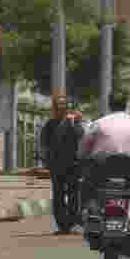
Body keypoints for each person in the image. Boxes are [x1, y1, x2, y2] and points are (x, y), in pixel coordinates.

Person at [77, 93, 130, 212]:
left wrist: (82, 157)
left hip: (101, 172)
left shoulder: (99, 123)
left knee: (87, 188)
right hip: (129, 171)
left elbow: (84, 144)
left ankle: (85, 213)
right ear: (126, 105)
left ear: (109, 105)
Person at [39, 94, 85, 232]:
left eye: (63, 105)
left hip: (74, 165)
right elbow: (44, 145)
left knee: (73, 195)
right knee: (58, 195)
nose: (61, 108)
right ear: (54, 108)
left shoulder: (75, 122)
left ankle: (71, 222)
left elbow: (82, 137)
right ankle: (63, 225)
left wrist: (76, 121)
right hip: (57, 165)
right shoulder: (49, 124)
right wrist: (46, 161)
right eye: (58, 105)